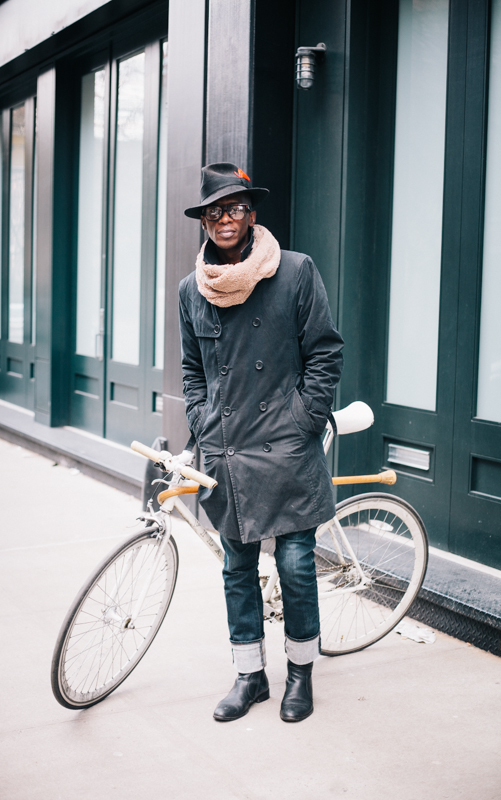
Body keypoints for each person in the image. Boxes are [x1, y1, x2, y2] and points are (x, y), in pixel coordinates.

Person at [179, 162, 344, 723]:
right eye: (213, 211)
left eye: (234, 207)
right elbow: (192, 370)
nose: (224, 218)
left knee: (296, 565)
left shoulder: (295, 272)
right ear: (204, 221)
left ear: (252, 214)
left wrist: (304, 421)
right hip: (226, 448)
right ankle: (250, 675)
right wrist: (202, 421)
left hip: (286, 444)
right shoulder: (191, 290)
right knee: (236, 567)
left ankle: (300, 674)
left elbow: (325, 353)